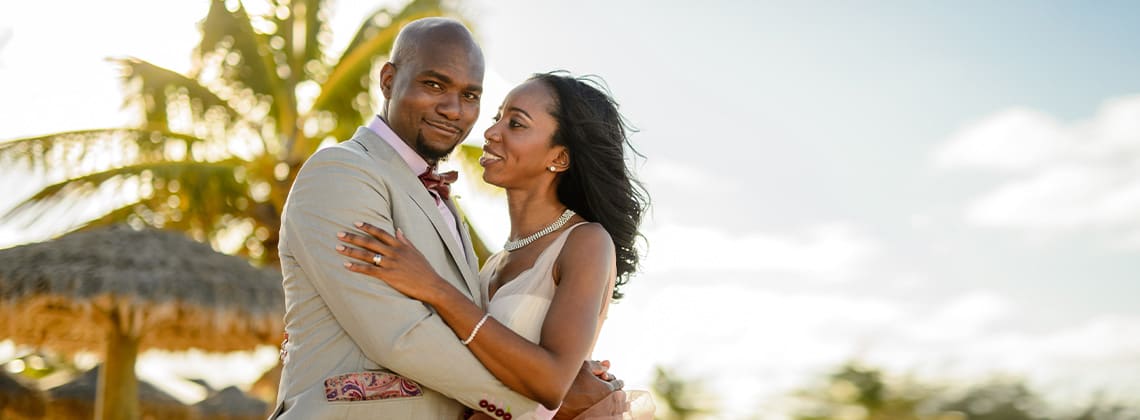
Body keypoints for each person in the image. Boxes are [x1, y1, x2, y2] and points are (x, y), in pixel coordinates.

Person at [272, 18, 618, 419]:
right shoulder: (342, 172)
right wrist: (541, 407)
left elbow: (481, 340)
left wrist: (558, 381)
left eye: (470, 95)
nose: (454, 110)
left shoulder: (450, 211)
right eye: (433, 85)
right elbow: (399, 335)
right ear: (388, 81)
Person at [336, 71, 653, 419]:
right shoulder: (492, 263)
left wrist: (436, 290)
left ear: (560, 158)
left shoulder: (586, 242)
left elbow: (551, 384)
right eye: (497, 118)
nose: (490, 133)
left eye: (515, 124)